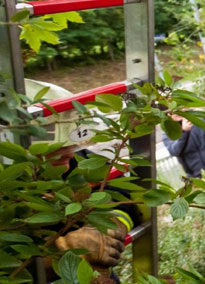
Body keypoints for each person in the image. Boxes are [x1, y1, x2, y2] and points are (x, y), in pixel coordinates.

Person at [26, 79, 138, 270]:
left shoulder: (77, 162)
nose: (69, 152)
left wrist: (112, 223)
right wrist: (61, 249)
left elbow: (122, 195)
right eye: (50, 139)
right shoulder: (1, 193)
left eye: (70, 139)